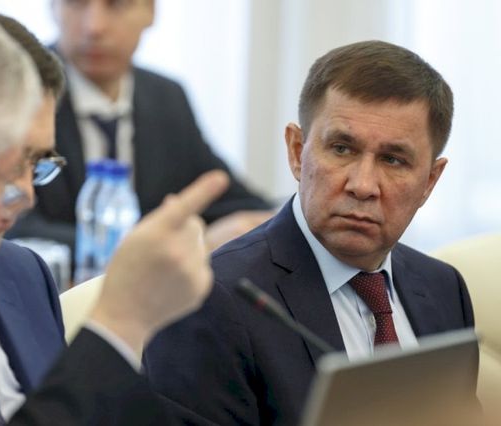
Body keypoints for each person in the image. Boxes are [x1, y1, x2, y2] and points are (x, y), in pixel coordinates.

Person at [0, 3, 229, 425]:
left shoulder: (21, 274)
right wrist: (119, 324)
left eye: (38, 163)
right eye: (12, 164)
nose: (26, 194)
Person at [144, 40, 477, 425]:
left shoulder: (443, 288)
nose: (363, 185)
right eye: (342, 149)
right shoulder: (209, 301)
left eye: (393, 160)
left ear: (430, 181)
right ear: (297, 150)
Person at [7, 0, 274, 253]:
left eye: (117, 4)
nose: (94, 27)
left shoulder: (166, 97)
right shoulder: (17, 92)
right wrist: (161, 245)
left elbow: (235, 200)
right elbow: (11, 224)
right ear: (53, 8)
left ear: (151, 11)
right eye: (76, 3)